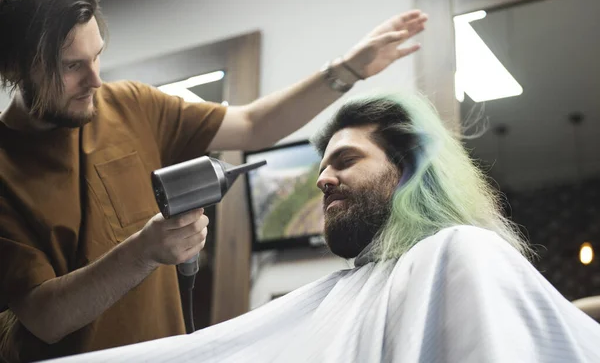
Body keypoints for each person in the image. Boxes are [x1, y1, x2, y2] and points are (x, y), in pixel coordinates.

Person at [0, 0, 428, 361]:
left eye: (97, 56)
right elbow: (45, 317)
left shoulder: (127, 104)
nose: (95, 79)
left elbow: (253, 125)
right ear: (17, 66)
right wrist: (145, 251)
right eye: (72, 66)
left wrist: (347, 70)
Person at [47, 93, 600, 363]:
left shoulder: (457, 254)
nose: (322, 181)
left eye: (344, 161)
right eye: (321, 168)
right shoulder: (354, 290)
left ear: (405, 168)